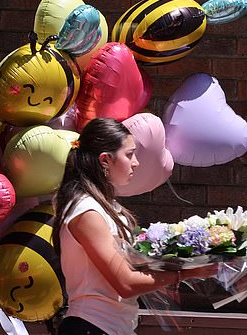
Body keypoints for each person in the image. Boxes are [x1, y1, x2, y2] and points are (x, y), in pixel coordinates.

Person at [52, 118, 217, 335]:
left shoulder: (107, 206)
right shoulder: (87, 212)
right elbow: (125, 283)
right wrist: (186, 273)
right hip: (91, 326)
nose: (136, 162)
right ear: (105, 160)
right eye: (129, 154)